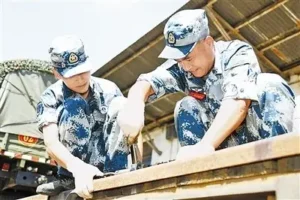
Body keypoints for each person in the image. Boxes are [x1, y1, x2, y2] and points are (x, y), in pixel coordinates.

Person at [117, 9, 295, 161]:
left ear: (208, 42)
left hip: (257, 143)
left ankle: (279, 159)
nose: (185, 66)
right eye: (179, 60)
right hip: (216, 151)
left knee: (271, 84)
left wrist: (205, 146)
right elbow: (147, 82)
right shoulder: (182, 67)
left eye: (188, 57)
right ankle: (199, 173)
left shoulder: (236, 53)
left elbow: (238, 103)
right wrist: (134, 104)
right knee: (186, 106)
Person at [36, 35, 142, 199]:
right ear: (56, 73)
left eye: (83, 70)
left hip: (109, 167)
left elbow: (133, 128)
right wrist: (77, 168)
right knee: (73, 106)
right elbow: (51, 143)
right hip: (73, 171)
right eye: (72, 74)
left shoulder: (109, 89)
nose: (80, 78)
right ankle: (69, 180)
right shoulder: (51, 97)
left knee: (122, 104)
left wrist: (138, 167)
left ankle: (115, 174)